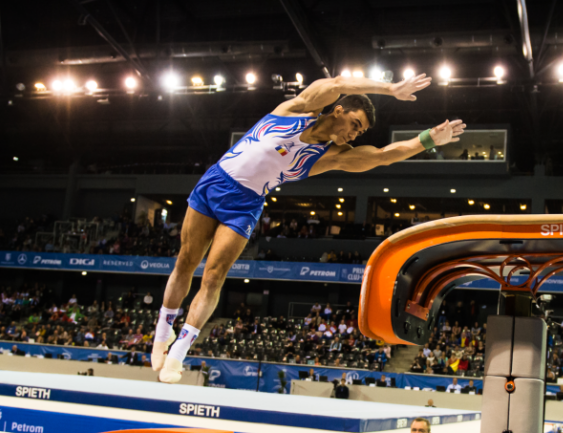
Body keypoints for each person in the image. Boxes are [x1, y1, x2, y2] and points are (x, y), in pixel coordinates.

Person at [150, 73, 465, 383]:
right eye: (356, 124)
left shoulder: (329, 157)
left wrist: (428, 140)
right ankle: (163, 333)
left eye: (362, 132)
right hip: (215, 182)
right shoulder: (297, 110)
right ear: (339, 109)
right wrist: (390, 89)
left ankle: (179, 351)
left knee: (214, 275)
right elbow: (339, 83)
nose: (356, 134)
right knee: (186, 262)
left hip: (245, 205)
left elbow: (383, 156)